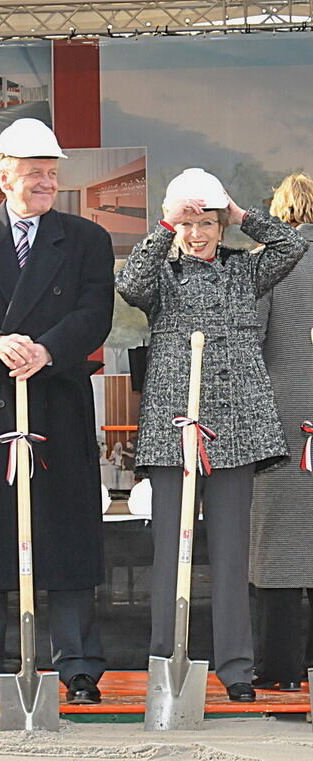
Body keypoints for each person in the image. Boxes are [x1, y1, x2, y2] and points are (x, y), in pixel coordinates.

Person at [0, 118, 114, 706]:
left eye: (52, 173)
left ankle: (78, 665)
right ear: (2, 173)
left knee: (66, 530)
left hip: (56, 400)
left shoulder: (86, 239)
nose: (45, 183)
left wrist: (48, 349)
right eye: (34, 172)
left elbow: (94, 311)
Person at [115, 167, 309, 702]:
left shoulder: (246, 271)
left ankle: (237, 669)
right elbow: (129, 283)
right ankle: (165, 660)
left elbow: (291, 243)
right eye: (189, 223)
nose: (198, 233)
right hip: (175, 422)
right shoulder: (162, 274)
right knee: (170, 550)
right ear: (176, 224)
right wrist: (164, 225)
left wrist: (242, 211)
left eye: (208, 222)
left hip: (239, 424)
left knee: (230, 551)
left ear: (223, 226)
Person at [250, 172, 313, 691]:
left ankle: (281, 673)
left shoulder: (270, 267)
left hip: (282, 419)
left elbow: (252, 345)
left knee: (278, 547)